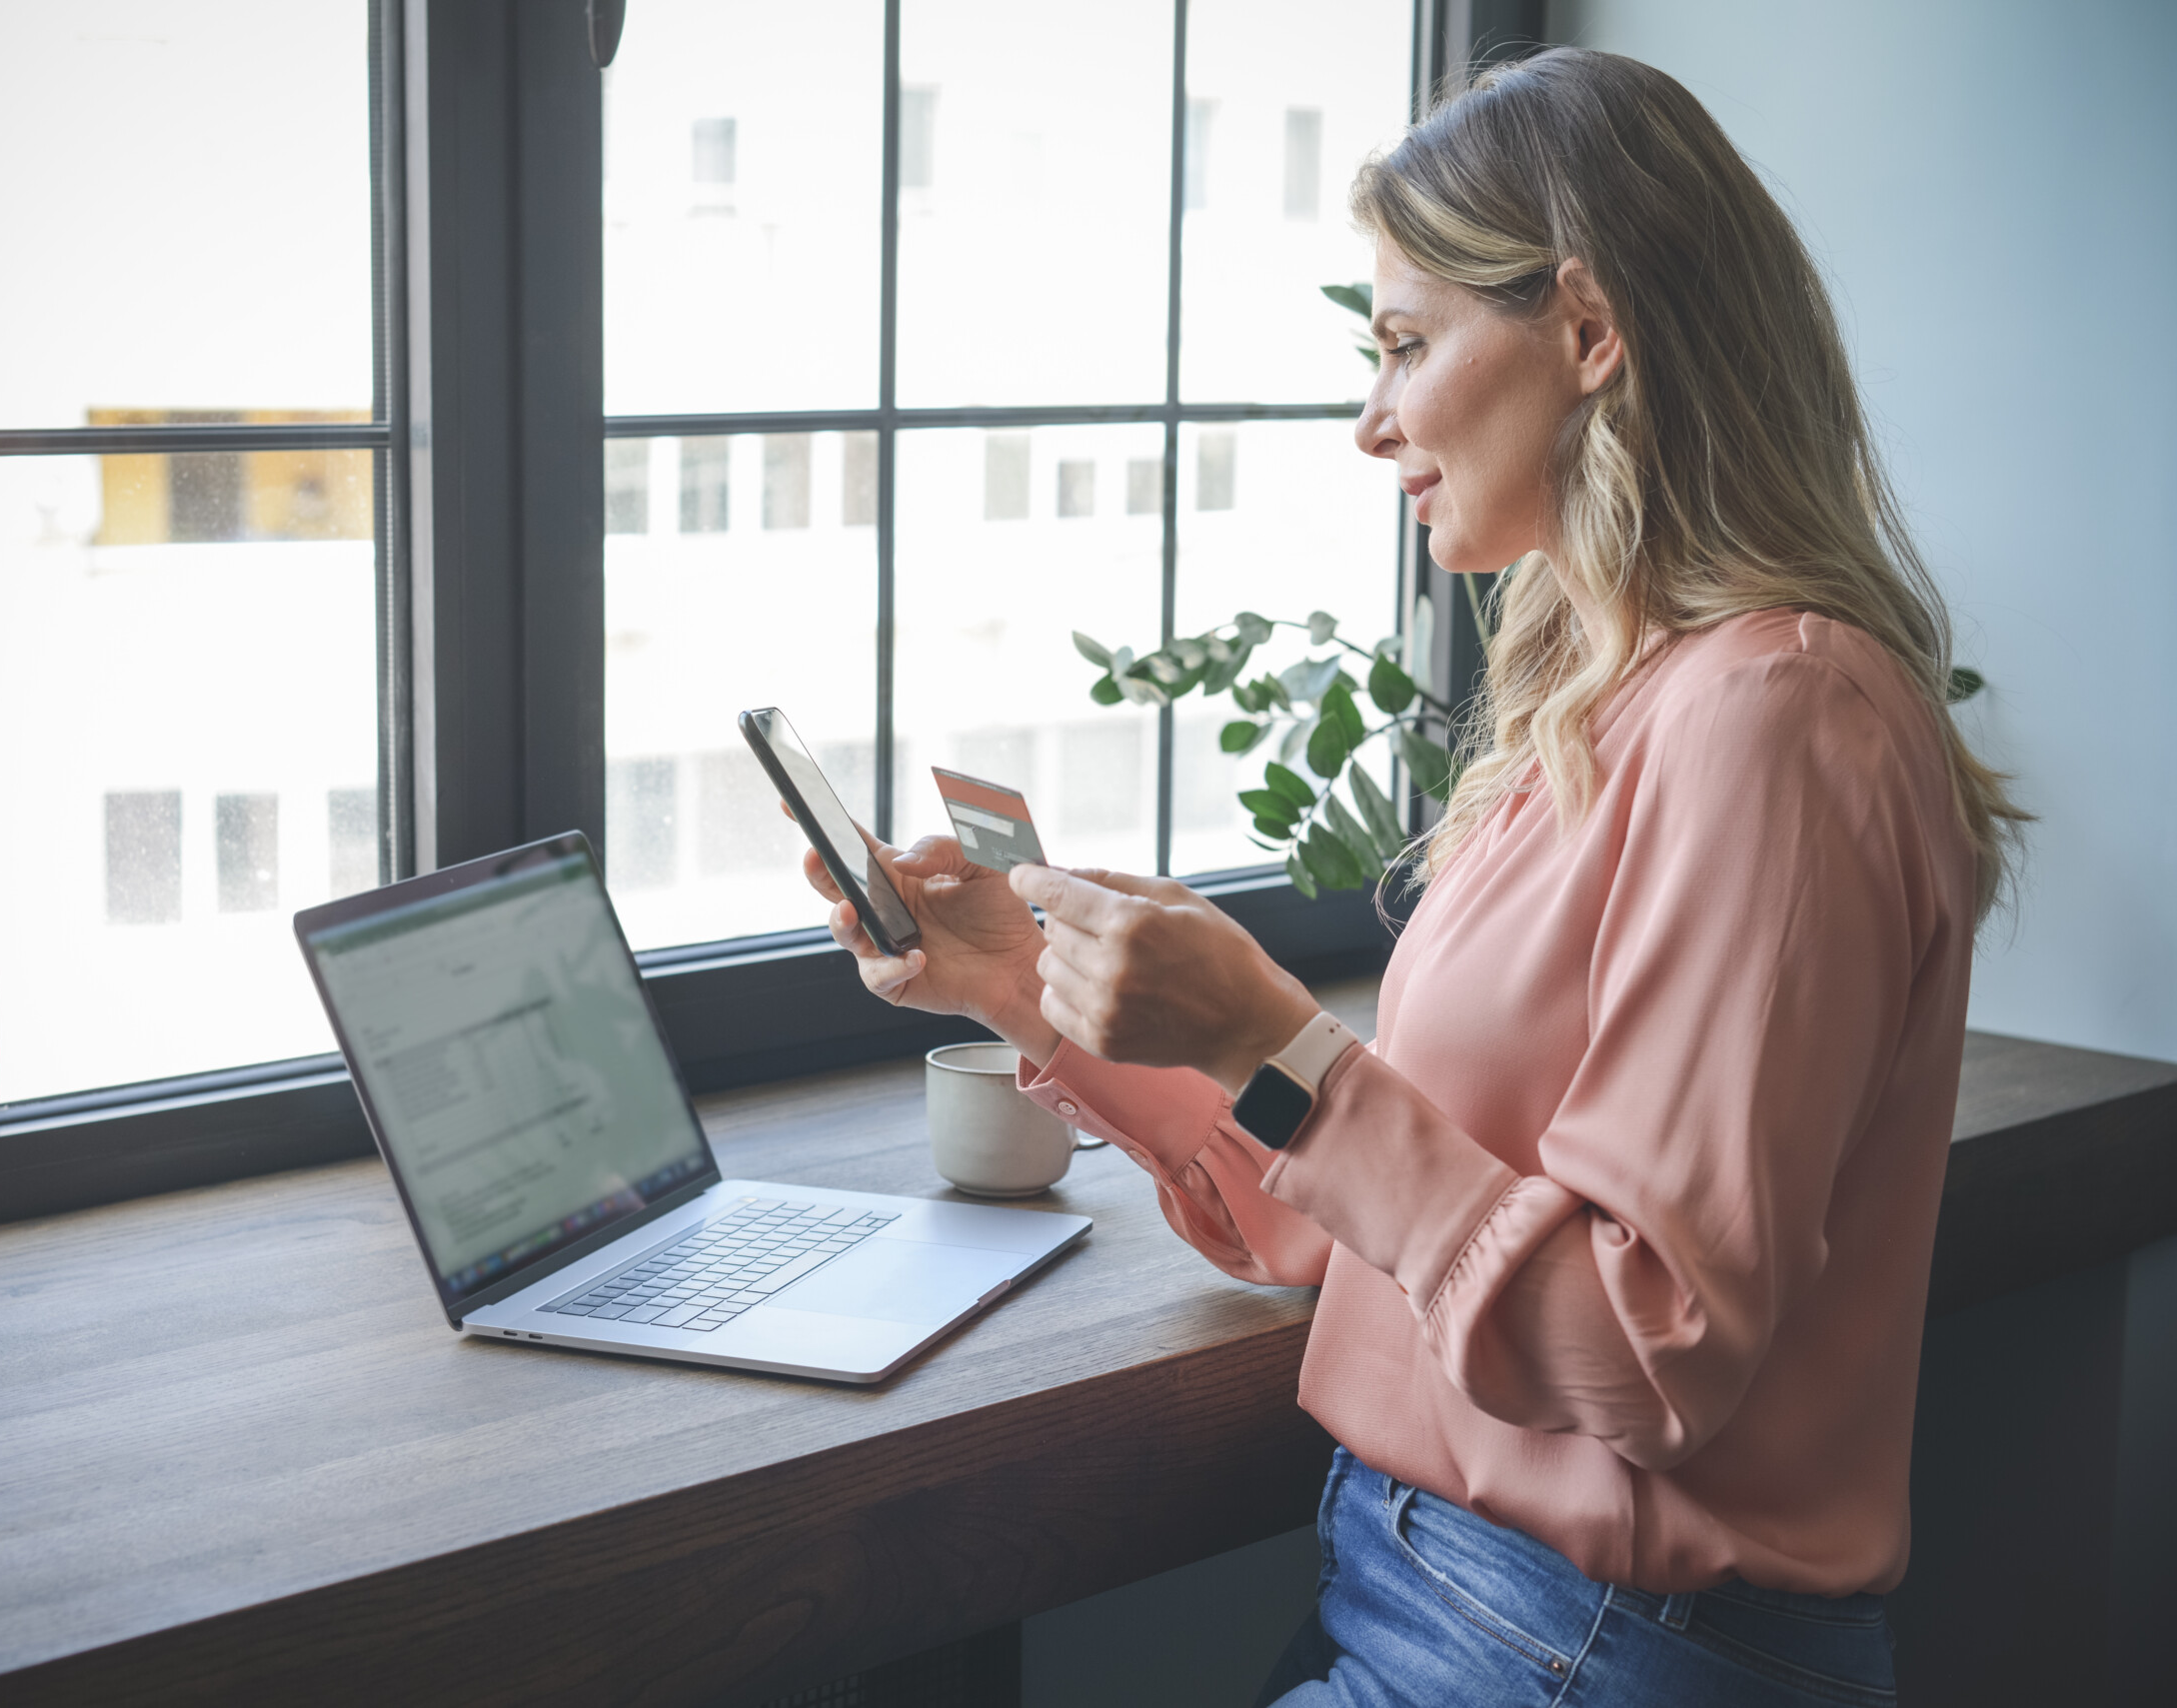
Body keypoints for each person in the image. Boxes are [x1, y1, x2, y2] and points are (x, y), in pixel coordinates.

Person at [800, 46, 2029, 1708]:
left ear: (1590, 331)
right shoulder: (1599, 711)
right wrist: (1019, 982)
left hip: (1585, 1643)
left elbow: (1644, 1350)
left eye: (1404, 343)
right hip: (1453, 1595)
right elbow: (1363, 1237)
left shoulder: (1778, 717)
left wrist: (1272, 1034)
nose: (1374, 419)